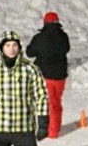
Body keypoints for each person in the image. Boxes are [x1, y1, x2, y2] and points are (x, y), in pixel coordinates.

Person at [26, 11, 69, 139]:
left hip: (46, 75)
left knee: (49, 103)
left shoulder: (39, 38)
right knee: (57, 101)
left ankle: (52, 131)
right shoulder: (64, 36)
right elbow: (67, 49)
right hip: (61, 75)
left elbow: (29, 52)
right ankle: (57, 125)